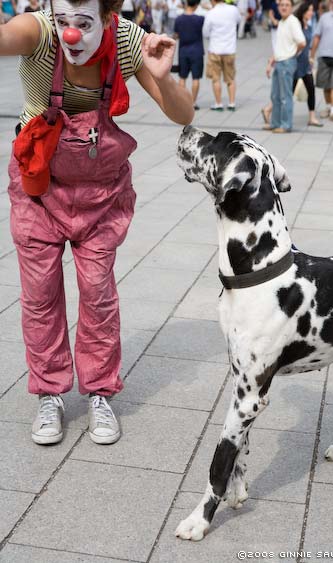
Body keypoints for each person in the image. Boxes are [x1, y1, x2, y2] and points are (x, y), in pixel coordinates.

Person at [0, 0, 193, 446]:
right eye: (62, 19)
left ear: (108, 15)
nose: (70, 33)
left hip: (100, 193)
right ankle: (49, 392)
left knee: (98, 293)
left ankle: (100, 392)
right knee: (40, 294)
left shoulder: (126, 40)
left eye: (83, 23)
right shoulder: (40, 32)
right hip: (38, 189)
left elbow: (183, 115)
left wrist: (164, 77)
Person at [265, 0, 306, 133]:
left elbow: (302, 42)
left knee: (285, 96)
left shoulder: (292, 21)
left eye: (287, 5)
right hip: (279, 61)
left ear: (291, 7)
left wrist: (292, 54)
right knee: (275, 95)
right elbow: (279, 45)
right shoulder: (282, 22)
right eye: (281, 5)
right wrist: (271, 61)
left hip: (287, 62)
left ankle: (286, 124)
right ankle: (275, 122)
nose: (284, 7)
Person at [203, 0, 241, 110]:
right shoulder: (233, 10)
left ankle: (218, 103)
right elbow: (238, 20)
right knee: (231, 78)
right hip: (230, 49)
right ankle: (232, 102)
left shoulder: (211, 13)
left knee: (216, 78)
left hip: (215, 49)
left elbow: (205, 32)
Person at [293, 1, 322, 126]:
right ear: (303, 11)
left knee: (311, 90)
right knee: (288, 92)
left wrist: (311, 57)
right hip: (296, 64)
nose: (311, 13)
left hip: (305, 65)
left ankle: (312, 117)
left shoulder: (308, 27)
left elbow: (309, 45)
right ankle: (269, 109)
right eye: (309, 10)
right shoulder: (297, 26)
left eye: (312, 10)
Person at [174, 0, 204, 108]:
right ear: (196, 4)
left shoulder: (179, 19)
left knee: (182, 77)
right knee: (196, 78)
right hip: (197, 52)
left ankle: (182, 102)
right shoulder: (200, 19)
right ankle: (193, 102)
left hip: (183, 52)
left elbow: (176, 35)